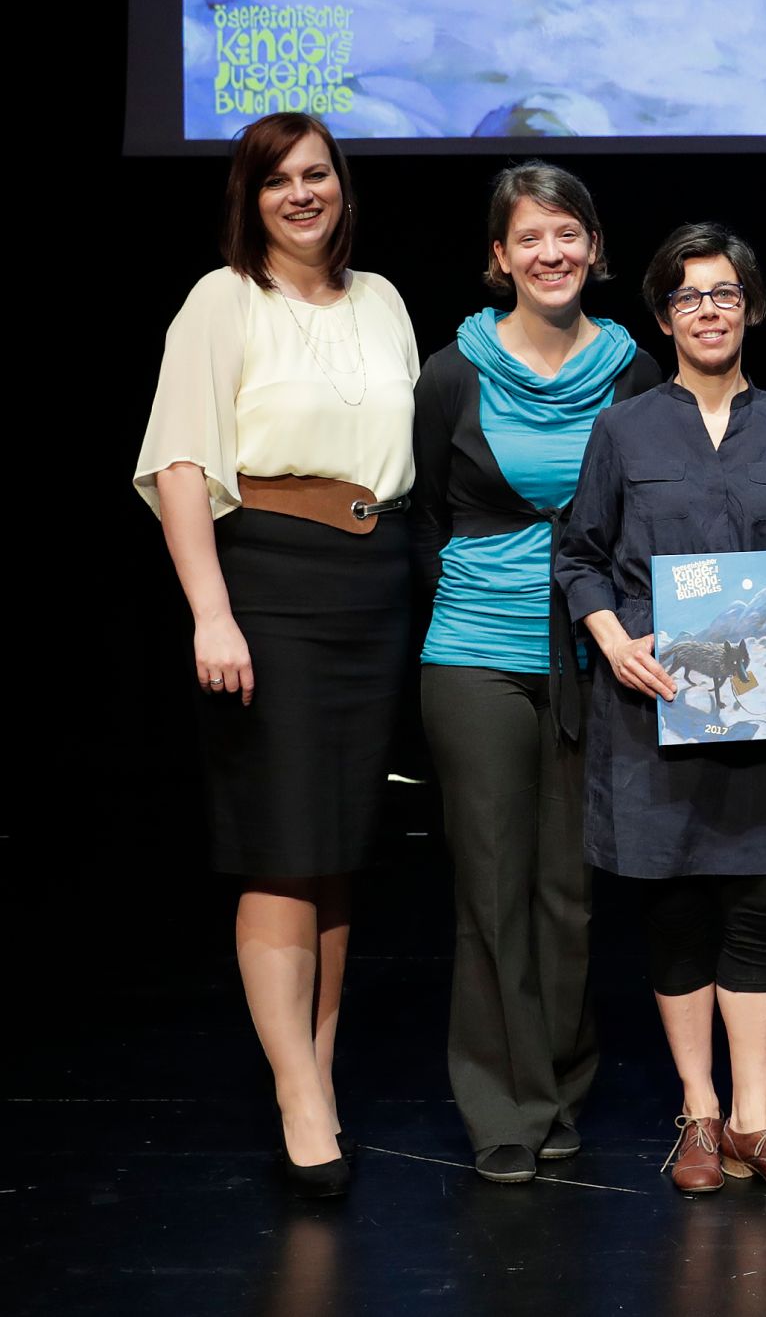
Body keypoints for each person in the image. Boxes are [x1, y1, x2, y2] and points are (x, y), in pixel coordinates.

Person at [134, 112, 419, 1199]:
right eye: (277, 181)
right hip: (271, 583)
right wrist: (212, 612)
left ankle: (322, 1076)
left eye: (317, 174)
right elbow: (179, 463)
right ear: (248, 198)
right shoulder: (222, 298)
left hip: (374, 584)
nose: (302, 193)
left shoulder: (384, 298)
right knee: (280, 844)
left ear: (341, 184)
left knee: (338, 847)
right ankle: (297, 1094)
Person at [555, 224, 766, 1201]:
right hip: (656, 706)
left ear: (751, 306)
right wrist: (612, 639)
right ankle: (698, 1110)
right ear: (662, 315)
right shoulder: (625, 427)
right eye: (687, 296)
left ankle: (756, 1119)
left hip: (760, 712)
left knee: (757, 910)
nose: (708, 310)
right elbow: (579, 554)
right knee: (674, 911)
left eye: (725, 293)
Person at [412, 164, 662, 1184]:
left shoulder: (632, 368)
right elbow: (424, 519)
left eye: (567, 234)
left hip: (594, 658)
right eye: (529, 238)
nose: (550, 254)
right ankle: (499, 1101)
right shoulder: (450, 371)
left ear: (594, 248)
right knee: (490, 888)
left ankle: (560, 1084)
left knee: (568, 892)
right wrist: (482, 607)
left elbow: (647, 521)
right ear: (498, 256)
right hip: (475, 655)